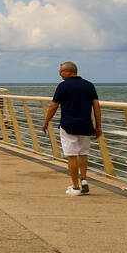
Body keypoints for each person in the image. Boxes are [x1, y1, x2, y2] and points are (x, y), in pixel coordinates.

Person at [41, 61, 102, 195]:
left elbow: (54, 106)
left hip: (69, 126)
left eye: (60, 71)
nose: (59, 74)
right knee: (83, 153)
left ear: (68, 71)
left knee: (72, 156)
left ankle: (75, 187)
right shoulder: (89, 85)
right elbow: (96, 107)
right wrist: (98, 126)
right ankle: (84, 180)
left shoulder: (63, 86)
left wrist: (46, 121)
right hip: (86, 125)